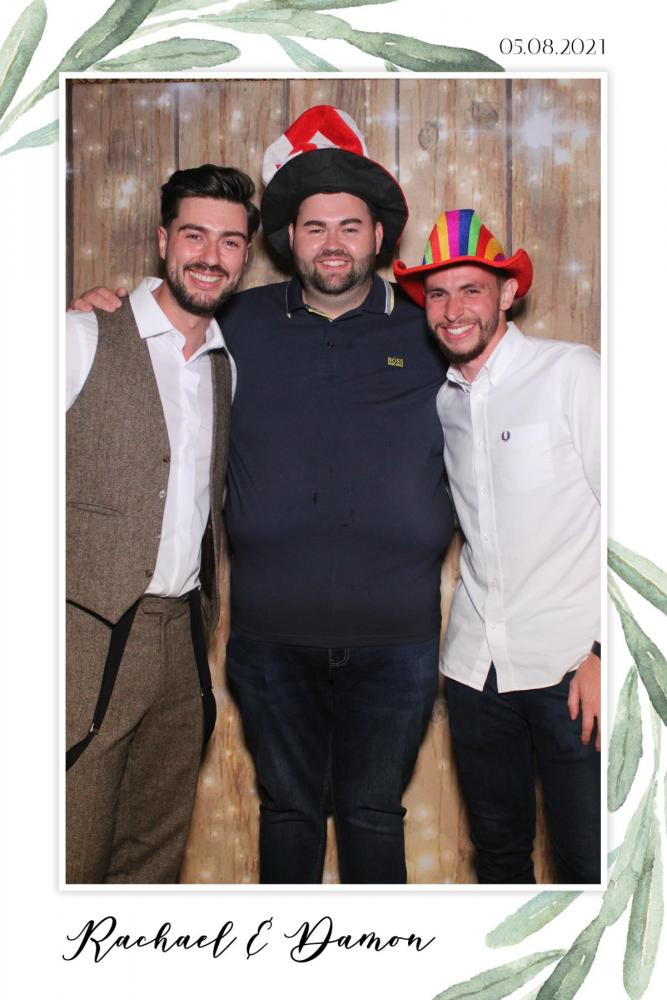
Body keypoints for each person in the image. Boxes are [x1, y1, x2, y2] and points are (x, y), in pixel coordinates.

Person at [70, 106, 454, 885]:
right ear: (286, 240)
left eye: (349, 226)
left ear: (378, 237)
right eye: (314, 227)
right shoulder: (234, 324)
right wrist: (93, 312)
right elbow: (159, 328)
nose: (332, 242)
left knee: (374, 814)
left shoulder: (429, 331)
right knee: (286, 811)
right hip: (270, 634)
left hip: (397, 635)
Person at [394, 208, 601, 884]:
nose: (453, 309)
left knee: (590, 862)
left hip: (573, 666)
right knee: (499, 859)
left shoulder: (572, 373)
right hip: (474, 669)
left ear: (507, 293)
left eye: (471, 289)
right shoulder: (443, 402)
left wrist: (608, 652)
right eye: (438, 293)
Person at [66, 164, 259, 883]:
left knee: (153, 854)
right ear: (162, 240)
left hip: (182, 638)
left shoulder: (224, 367)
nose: (211, 256)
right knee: (67, 849)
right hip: (79, 638)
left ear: (245, 255)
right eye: (194, 235)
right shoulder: (79, 336)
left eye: (230, 242)